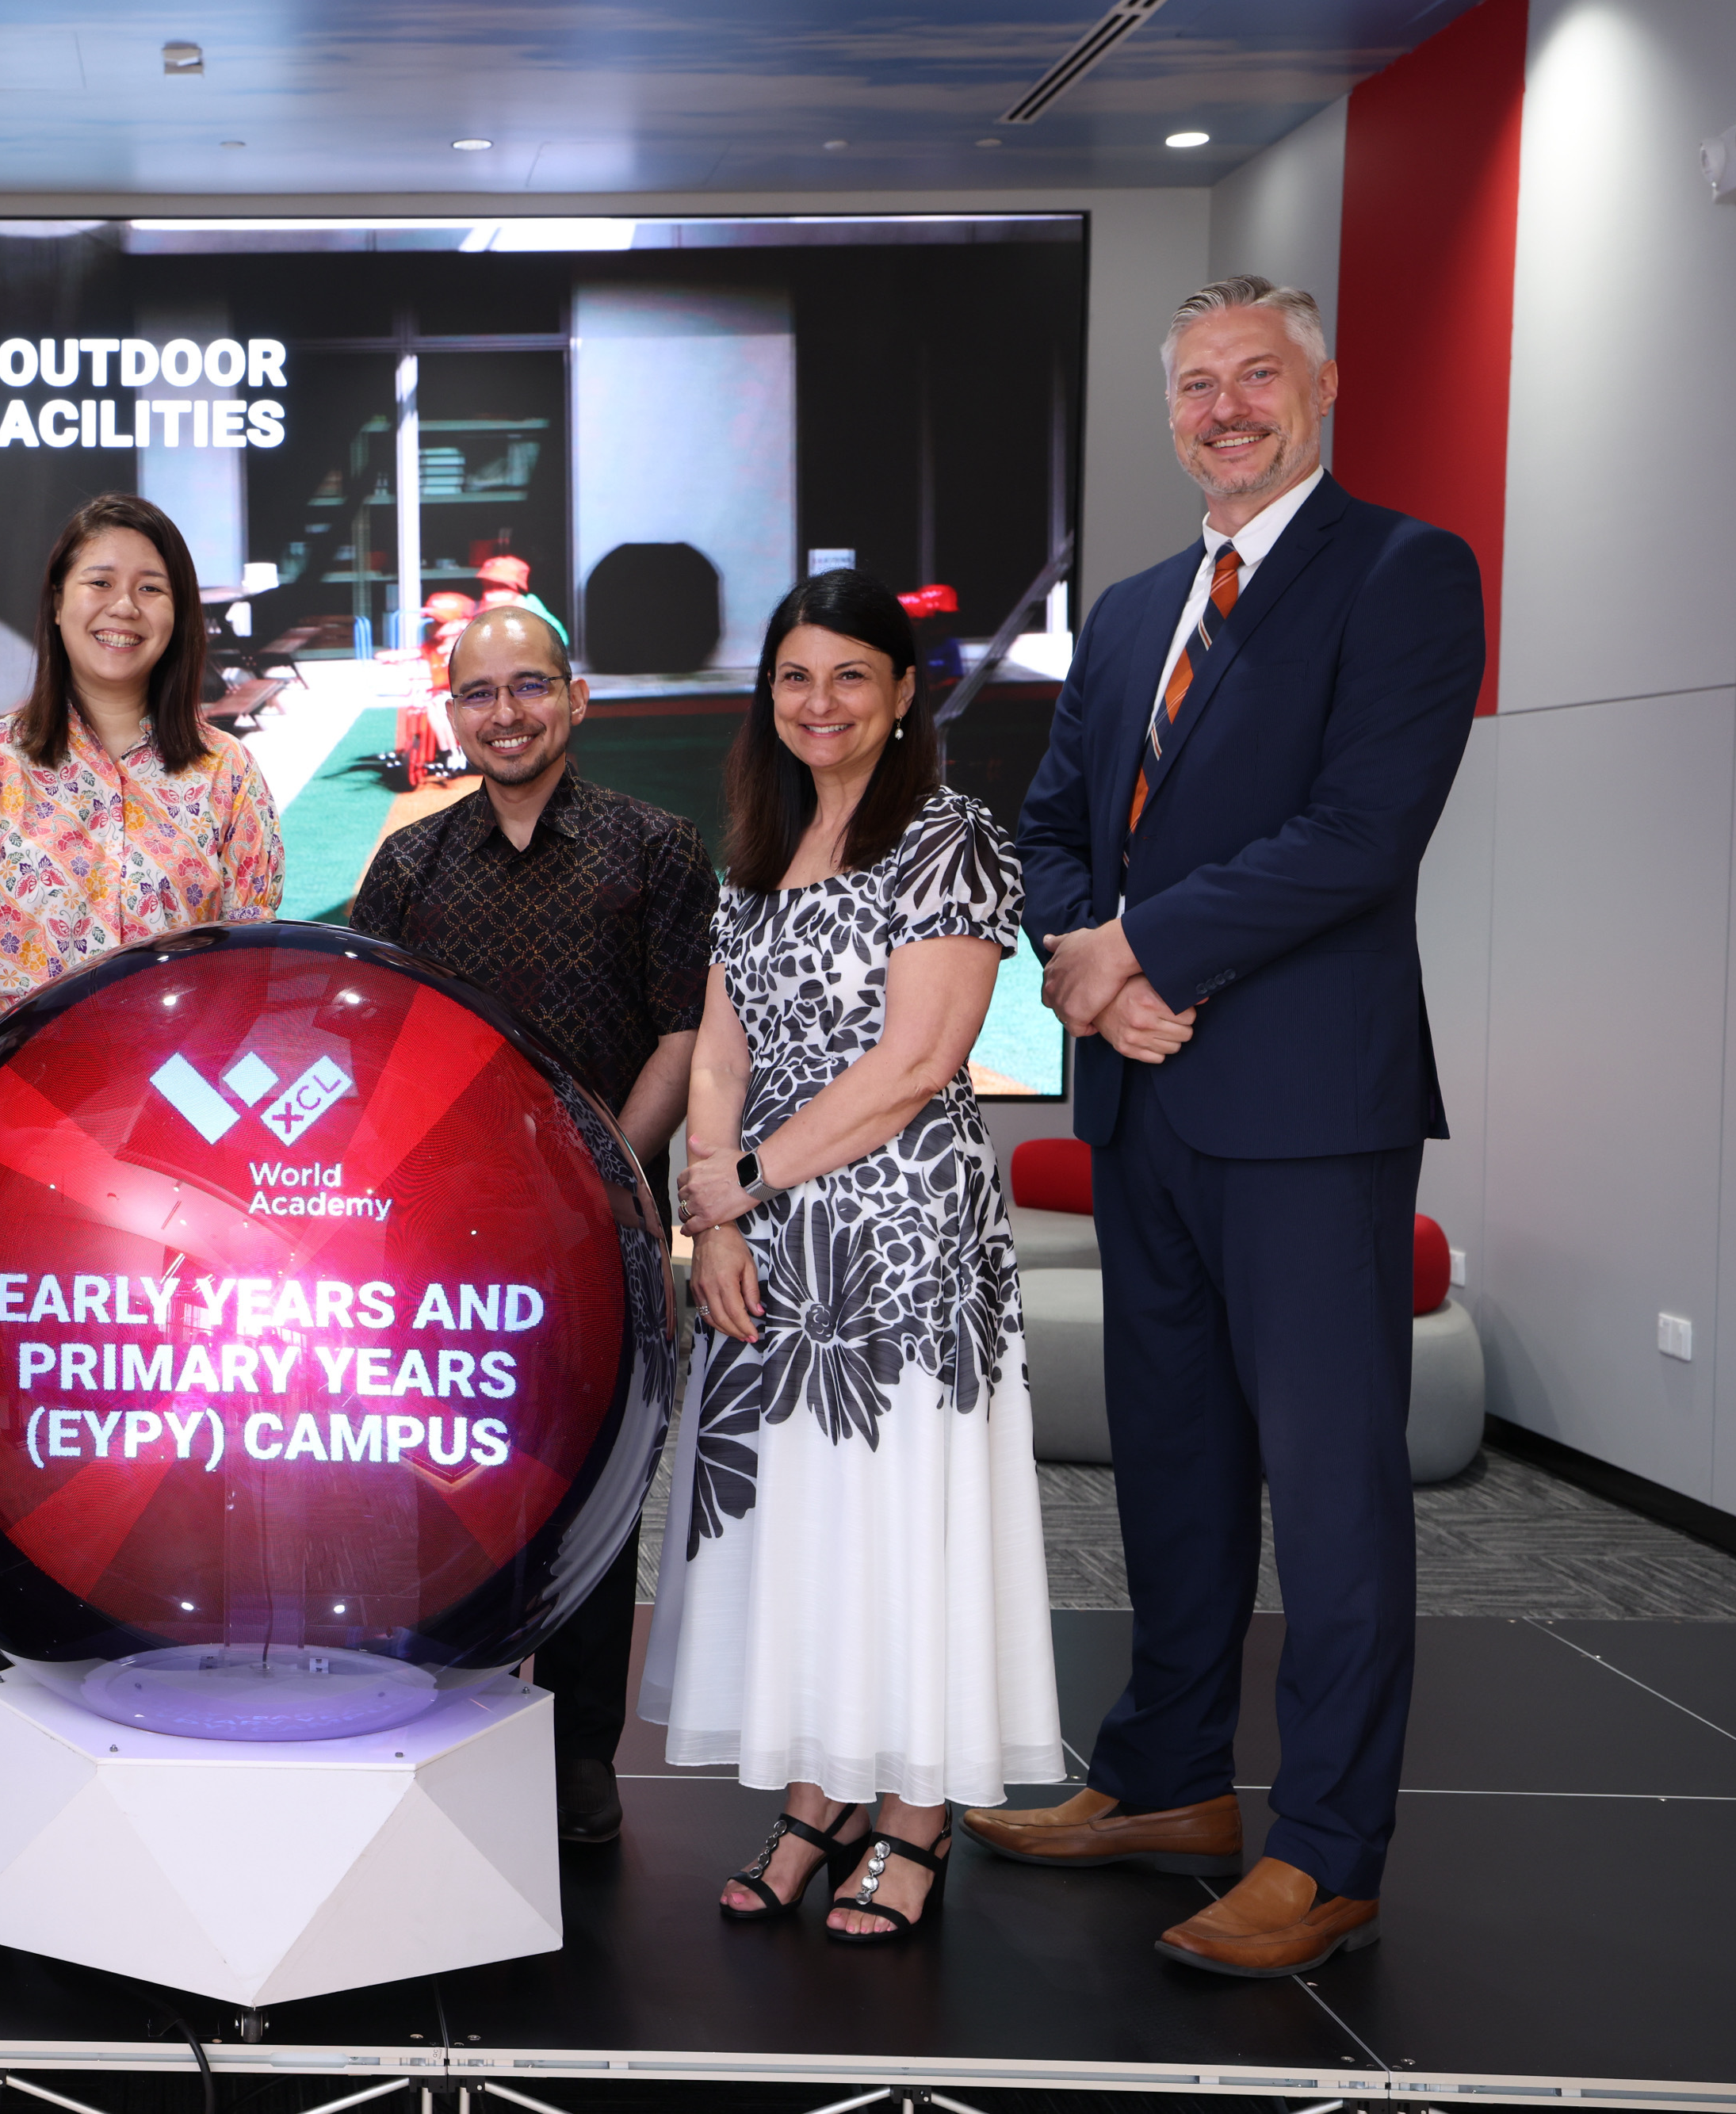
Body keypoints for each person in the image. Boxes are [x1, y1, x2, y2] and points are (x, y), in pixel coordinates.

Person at [986, 276, 1482, 1976]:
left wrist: (1144, 946)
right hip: (1143, 1096)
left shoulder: (1405, 574)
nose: (1220, 407)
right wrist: (1088, 974)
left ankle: (1326, 1849)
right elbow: (1051, 826)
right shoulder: (1127, 611)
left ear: (1321, 387)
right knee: (1174, 1465)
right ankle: (1163, 1779)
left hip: (1303, 1114)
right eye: (1193, 383)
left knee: (1331, 1491)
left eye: (1252, 375)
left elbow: (1359, 830)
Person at [647, 568, 1062, 1944]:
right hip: (765, 1236)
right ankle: (821, 1796)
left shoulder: (948, 835)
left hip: (899, 1237)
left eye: (848, 677)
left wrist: (744, 1179)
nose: (817, 704)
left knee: (900, 1522)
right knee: (805, 1527)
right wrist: (716, 1216)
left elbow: (921, 1060)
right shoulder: (759, 841)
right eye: (794, 677)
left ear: (900, 698)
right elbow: (718, 1047)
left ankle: (916, 1816)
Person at [0, 492, 288, 1799]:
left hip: (182, 1179)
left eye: (153, 587)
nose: (125, 608)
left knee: (166, 1451)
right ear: (57, 603)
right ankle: (26, 1732)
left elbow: (252, 987)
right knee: (26, 1435)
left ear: (181, 617)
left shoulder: (227, 778)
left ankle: (163, 1702)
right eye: (100, 583)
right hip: (20, 1162)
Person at [344, 601, 713, 1845]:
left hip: (601, 1232)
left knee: (592, 1492)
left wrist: (604, 1168)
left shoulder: (654, 849)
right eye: (481, 695)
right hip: (436, 1245)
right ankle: (429, 1726)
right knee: (428, 1490)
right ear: (454, 715)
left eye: (528, 688)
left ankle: (574, 1764)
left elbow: (684, 1032)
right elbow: (371, 1049)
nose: (506, 714)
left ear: (576, 696)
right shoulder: (409, 865)